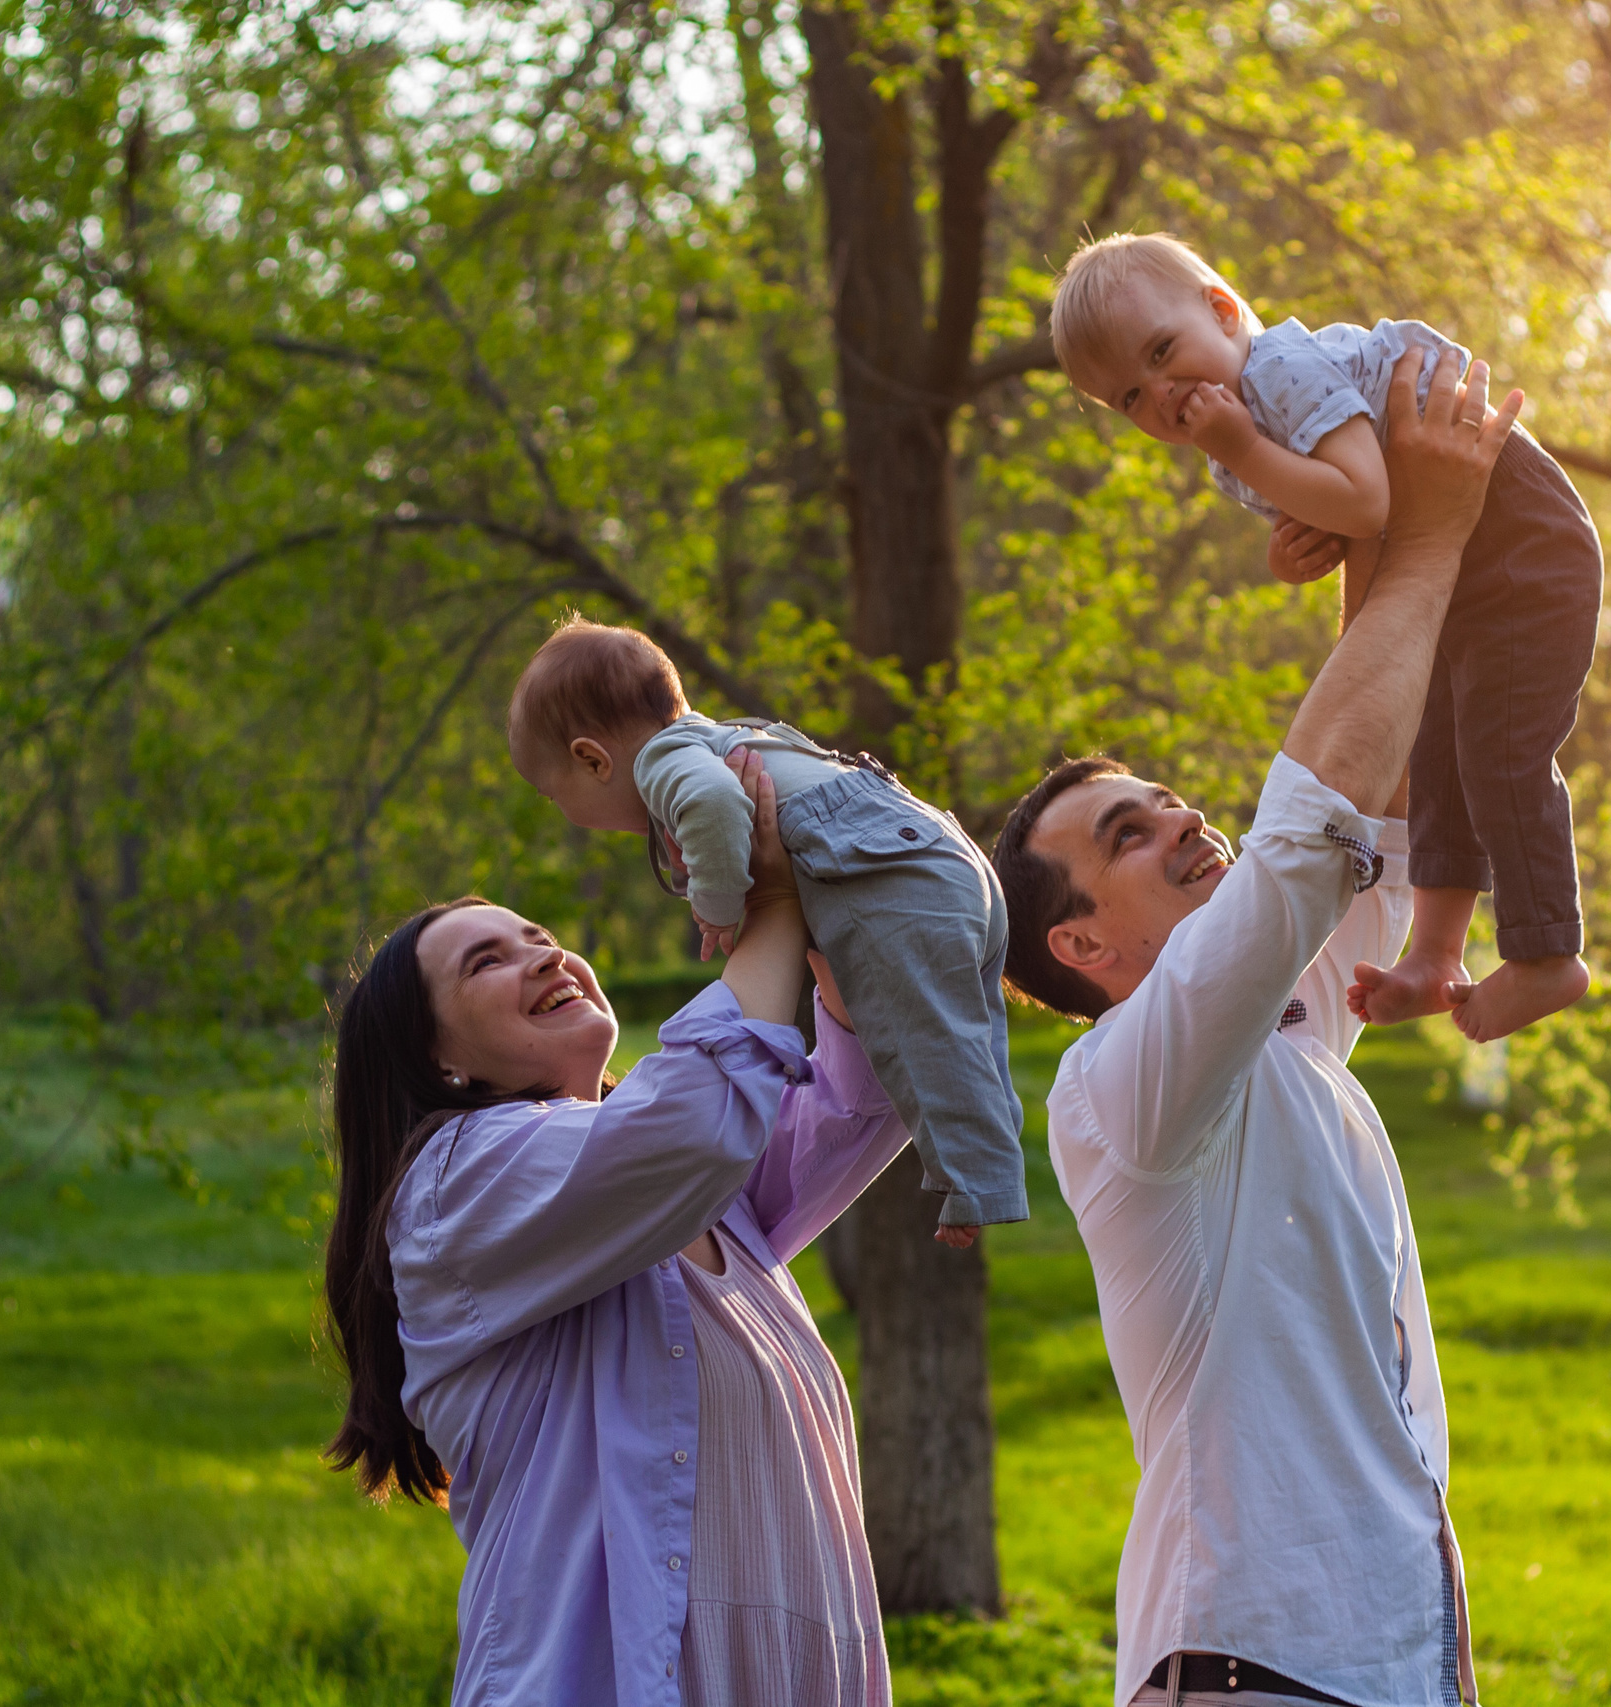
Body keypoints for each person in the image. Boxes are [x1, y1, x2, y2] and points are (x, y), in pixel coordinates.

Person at [991, 347, 1517, 1706]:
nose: (1180, 817)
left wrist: (1373, 523)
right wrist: (1437, 538)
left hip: (1395, 1656)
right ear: (1081, 943)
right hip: (1252, 1665)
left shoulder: (1291, 1033)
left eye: (1168, 797)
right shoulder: (1126, 1088)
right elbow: (1310, 824)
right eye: (1129, 831)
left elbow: (1369, 801)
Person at [323, 752, 912, 1706]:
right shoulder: (453, 1184)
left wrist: (837, 878)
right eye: (489, 961)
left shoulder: (698, 1194)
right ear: (438, 1057)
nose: (545, 956)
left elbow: (862, 1097)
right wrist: (769, 902)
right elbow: (688, 1124)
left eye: (539, 936)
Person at [1049, 230, 1602, 1043]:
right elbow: (1337, 519)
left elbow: (1369, 501)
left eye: (1164, 352)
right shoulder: (1230, 447)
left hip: (1521, 536)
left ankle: (1548, 948)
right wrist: (1291, 544)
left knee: (1499, 747)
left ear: (1224, 310)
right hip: (1460, 560)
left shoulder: (1276, 373)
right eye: (1131, 396)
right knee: (1437, 749)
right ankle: (1437, 951)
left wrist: (1249, 452)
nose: (1161, 391)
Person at [504, 620, 1025, 1243]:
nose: (558, 809)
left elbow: (716, 807)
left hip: (888, 872)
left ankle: (975, 1184)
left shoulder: (661, 760)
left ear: (592, 760)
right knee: (964, 1027)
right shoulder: (731, 734)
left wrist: (717, 903)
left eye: (548, 793)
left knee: (921, 1028)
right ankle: (983, 1166)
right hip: (946, 854)